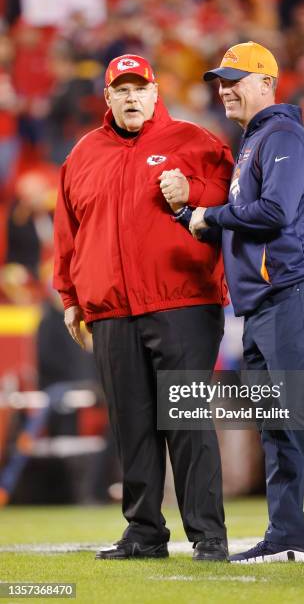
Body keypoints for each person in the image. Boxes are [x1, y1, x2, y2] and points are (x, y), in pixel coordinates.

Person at [187, 41, 304, 563]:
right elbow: (246, 221)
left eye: (234, 78)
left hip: (294, 289)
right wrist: (200, 216)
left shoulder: (282, 134)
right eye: (220, 81)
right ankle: (286, 534)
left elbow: (273, 212)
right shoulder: (254, 140)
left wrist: (212, 215)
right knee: (276, 422)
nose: (223, 88)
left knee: (299, 409)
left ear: (267, 82)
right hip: (263, 302)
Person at [53, 54, 233, 561]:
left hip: (183, 303)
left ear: (156, 93)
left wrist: (191, 191)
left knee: (188, 422)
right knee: (131, 425)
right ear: (107, 98)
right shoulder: (83, 154)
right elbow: (68, 232)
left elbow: (231, 205)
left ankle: (208, 535)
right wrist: (70, 297)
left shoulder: (197, 144)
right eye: (121, 90)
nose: (131, 98)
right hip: (110, 309)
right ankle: (144, 532)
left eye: (140, 88)